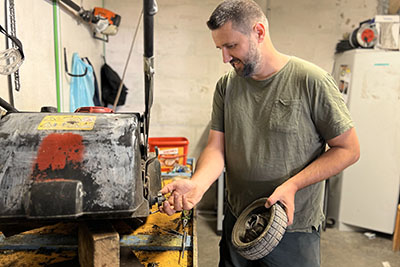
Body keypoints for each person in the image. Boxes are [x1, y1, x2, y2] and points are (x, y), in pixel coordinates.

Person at [160, 0, 360, 266]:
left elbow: (348, 149)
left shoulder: (311, 81)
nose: (225, 58)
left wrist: (293, 185)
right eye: (220, 48)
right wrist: (197, 185)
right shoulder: (227, 86)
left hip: (291, 229)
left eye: (231, 46)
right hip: (239, 221)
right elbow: (216, 148)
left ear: (259, 32)